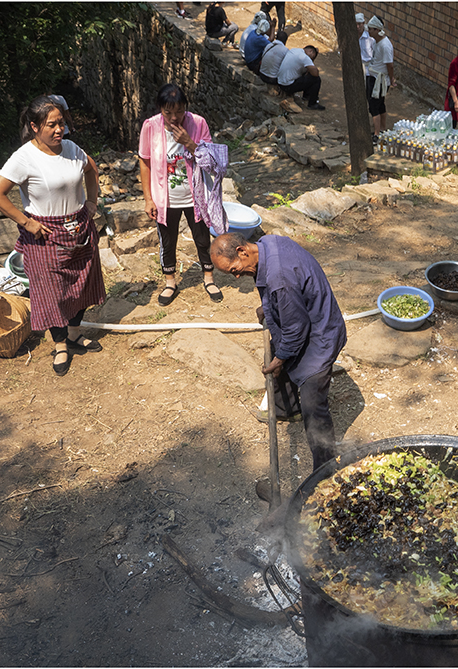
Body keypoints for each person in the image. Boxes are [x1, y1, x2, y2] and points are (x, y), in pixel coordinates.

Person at [0, 96, 104, 377]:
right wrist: (26, 222)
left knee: (81, 285)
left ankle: (74, 334)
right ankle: (60, 344)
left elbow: (92, 170)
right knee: (52, 293)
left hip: (79, 229)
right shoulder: (24, 158)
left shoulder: (72, 149)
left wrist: (91, 202)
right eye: (51, 125)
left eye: (61, 123)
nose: (59, 130)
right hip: (45, 235)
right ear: (34, 126)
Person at [210, 232, 347, 471]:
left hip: (320, 334)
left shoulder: (279, 279)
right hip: (306, 316)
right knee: (279, 349)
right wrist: (270, 306)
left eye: (234, 270)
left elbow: (295, 329)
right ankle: (286, 408)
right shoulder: (267, 244)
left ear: (242, 251)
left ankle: (326, 470)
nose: (237, 276)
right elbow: (289, 295)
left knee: (313, 405)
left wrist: (280, 359)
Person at [138, 84, 224, 306]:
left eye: (179, 111)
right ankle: (170, 283)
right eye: (168, 112)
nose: (174, 117)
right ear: (160, 110)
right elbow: (145, 162)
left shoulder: (198, 123)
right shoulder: (150, 126)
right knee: (167, 241)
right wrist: (148, 199)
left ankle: (209, 278)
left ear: (186, 107)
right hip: (165, 199)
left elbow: (212, 163)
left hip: (196, 197)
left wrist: (190, 143)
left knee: (202, 238)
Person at [366, 16, 394, 139]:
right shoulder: (376, 42)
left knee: (374, 105)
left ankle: (377, 133)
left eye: (371, 29)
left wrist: (391, 79)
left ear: (377, 30)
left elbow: (390, 65)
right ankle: (382, 129)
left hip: (380, 80)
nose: (368, 31)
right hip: (373, 76)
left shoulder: (385, 46)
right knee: (380, 104)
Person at [277, 45, 325, 110]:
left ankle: (307, 95)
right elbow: (315, 73)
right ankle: (312, 104)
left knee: (308, 73)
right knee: (316, 79)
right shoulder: (304, 57)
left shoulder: (294, 50)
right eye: (313, 57)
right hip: (288, 86)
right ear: (311, 51)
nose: (312, 59)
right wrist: (312, 61)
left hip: (280, 82)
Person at [356, 13, 374, 77]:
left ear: (363, 23)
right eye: (356, 24)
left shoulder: (369, 37)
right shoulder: (353, 36)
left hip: (368, 70)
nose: (357, 27)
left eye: (359, 24)